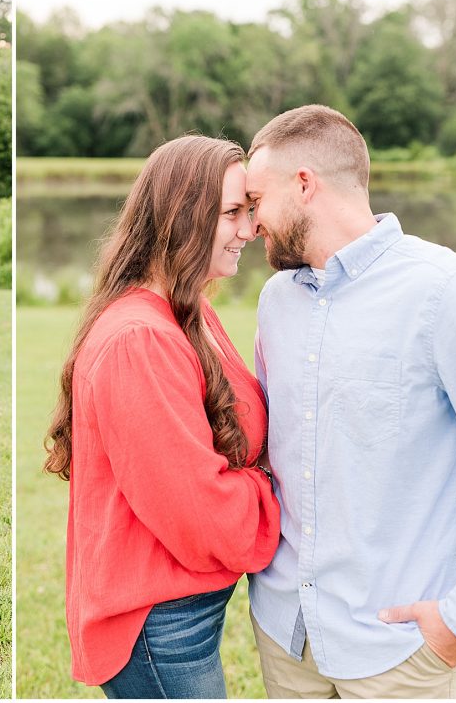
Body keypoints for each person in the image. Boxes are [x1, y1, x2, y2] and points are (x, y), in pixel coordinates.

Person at [245, 104, 456, 698]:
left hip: (402, 648)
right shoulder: (275, 302)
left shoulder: (449, 294)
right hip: (286, 634)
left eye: (256, 200)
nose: (249, 224)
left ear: (303, 185)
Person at [44, 135, 282, 699]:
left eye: (249, 211)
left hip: (181, 612)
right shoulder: (139, 340)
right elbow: (196, 509)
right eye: (231, 213)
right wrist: (272, 491)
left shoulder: (187, 310)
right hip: (157, 623)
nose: (249, 230)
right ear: (182, 216)